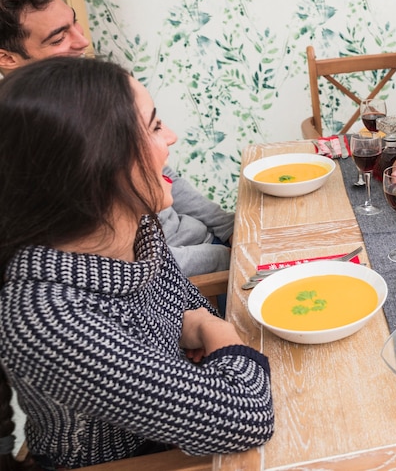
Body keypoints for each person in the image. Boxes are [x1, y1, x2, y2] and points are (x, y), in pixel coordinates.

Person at [0, 57, 274, 470]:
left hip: (183, 432)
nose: (172, 138)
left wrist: (202, 327)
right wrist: (215, 329)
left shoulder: (134, 228)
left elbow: (189, 310)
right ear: (98, 165)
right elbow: (246, 416)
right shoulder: (48, 318)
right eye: (154, 127)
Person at [0, 0, 233, 276]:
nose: (82, 42)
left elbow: (166, 175)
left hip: (208, 247)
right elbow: (122, 265)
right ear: (6, 58)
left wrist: (233, 228)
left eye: (74, 23)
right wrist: (229, 258)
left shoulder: (94, 91)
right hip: (194, 272)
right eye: (58, 38)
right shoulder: (31, 142)